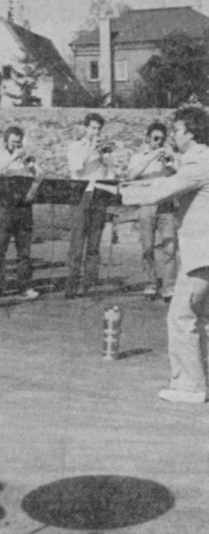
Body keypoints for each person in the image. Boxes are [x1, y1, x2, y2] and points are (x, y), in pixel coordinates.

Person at [119, 105, 209, 403]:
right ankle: (198, 379)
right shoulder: (197, 159)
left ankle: (190, 386)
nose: (174, 135)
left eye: (178, 130)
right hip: (201, 252)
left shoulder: (199, 162)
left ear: (191, 132)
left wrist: (122, 192)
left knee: (181, 315)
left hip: (202, 253)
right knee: (198, 316)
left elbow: (163, 189)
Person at [0, 126, 40, 300]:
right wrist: (12, 158)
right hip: (2, 207)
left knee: (24, 251)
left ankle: (25, 286)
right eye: (13, 142)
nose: (17, 145)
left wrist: (33, 169)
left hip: (23, 208)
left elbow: (39, 179)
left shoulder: (27, 159)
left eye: (19, 142)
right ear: (6, 142)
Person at [125, 122, 178, 301]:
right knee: (147, 248)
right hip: (146, 205)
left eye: (162, 140)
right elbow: (131, 176)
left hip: (165, 206)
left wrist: (169, 165)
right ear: (148, 138)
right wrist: (151, 157)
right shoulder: (138, 157)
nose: (159, 143)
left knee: (170, 248)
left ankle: (169, 288)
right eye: (155, 139)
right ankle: (150, 284)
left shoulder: (169, 157)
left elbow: (179, 176)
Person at [65, 112, 114, 299]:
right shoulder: (75, 146)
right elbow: (76, 167)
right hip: (81, 195)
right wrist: (91, 149)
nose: (96, 132)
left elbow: (111, 175)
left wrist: (106, 159)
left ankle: (89, 286)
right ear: (85, 128)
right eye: (93, 128)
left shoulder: (103, 149)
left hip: (99, 195)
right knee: (77, 243)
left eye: (98, 129)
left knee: (94, 244)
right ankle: (71, 286)